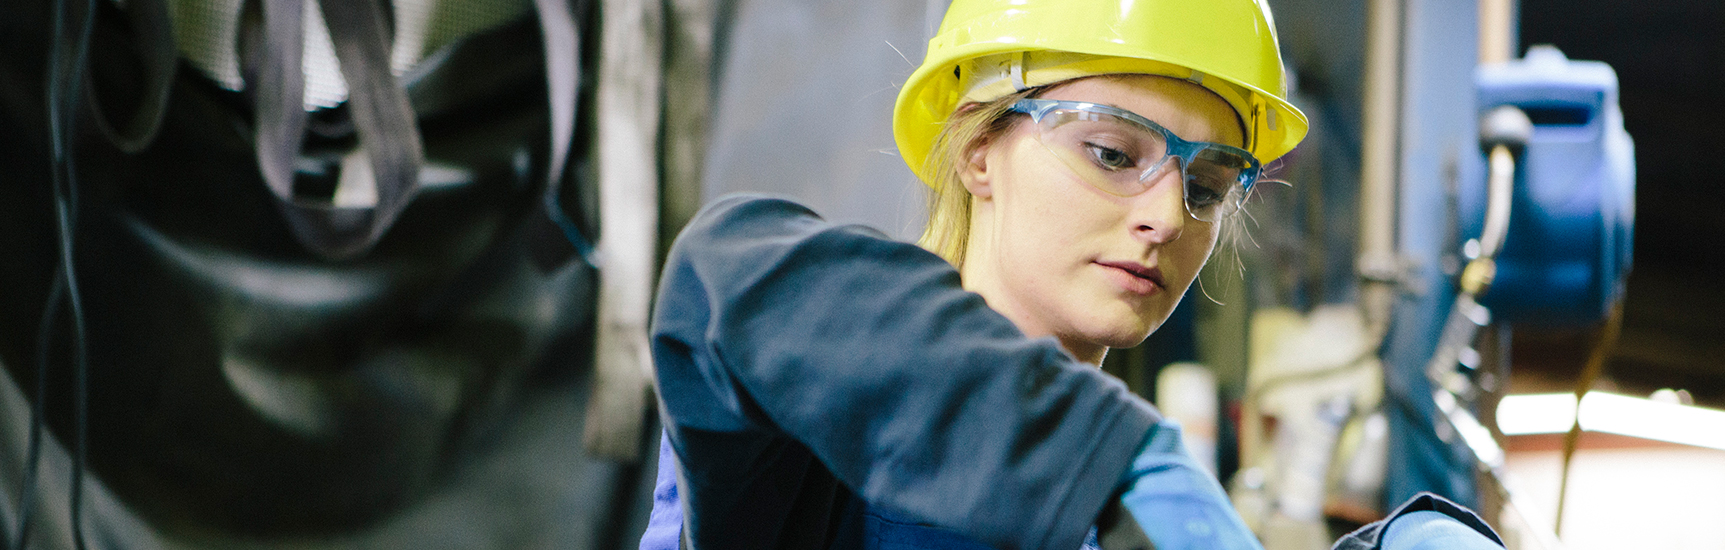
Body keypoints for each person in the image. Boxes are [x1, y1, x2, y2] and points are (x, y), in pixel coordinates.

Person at [639, 0, 1508, 549]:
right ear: (979, 150)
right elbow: (726, 275)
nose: (1167, 218)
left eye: (1205, 185)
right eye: (1109, 151)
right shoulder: (807, 439)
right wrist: (1108, 461)